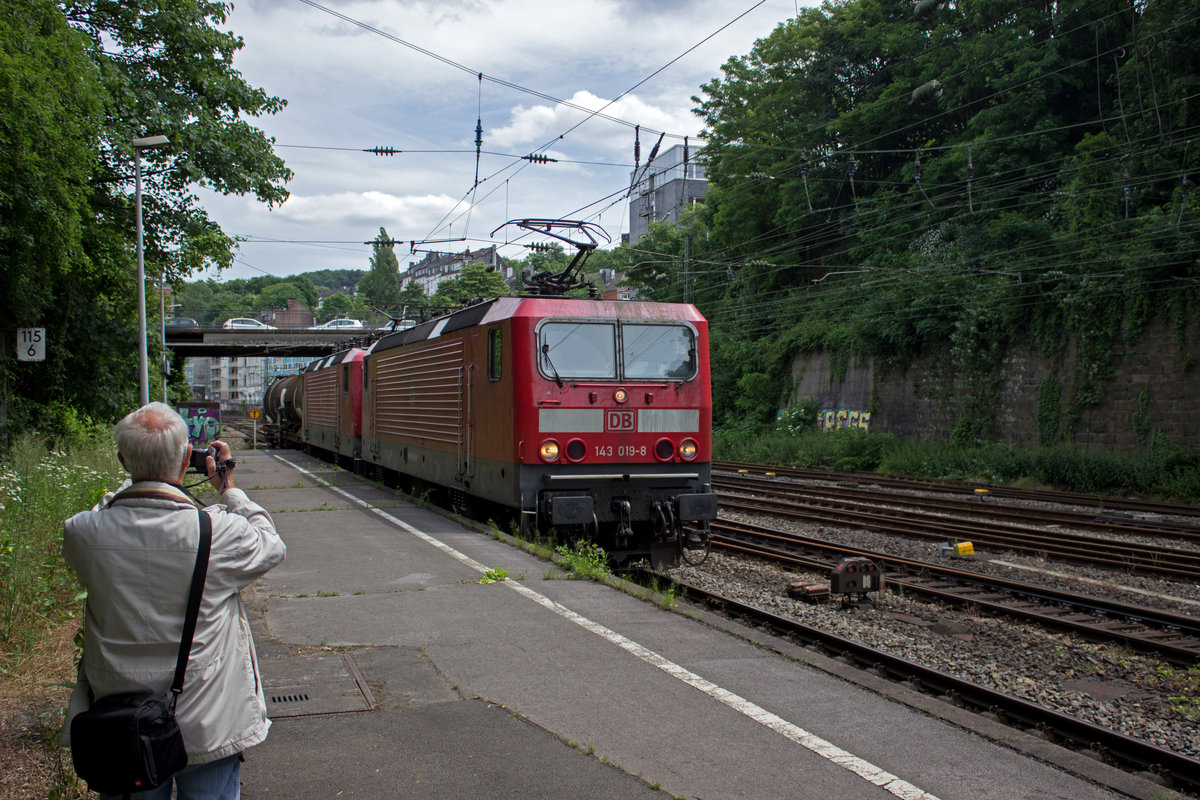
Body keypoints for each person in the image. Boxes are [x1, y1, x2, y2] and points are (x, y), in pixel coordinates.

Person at [62, 402, 286, 800]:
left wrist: (138, 476)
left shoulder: (84, 532)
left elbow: (106, 506)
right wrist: (228, 487)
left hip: (121, 724)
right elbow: (270, 543)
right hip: (207, 720)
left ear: (122, 461)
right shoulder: (218, 533)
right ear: (186, 459)